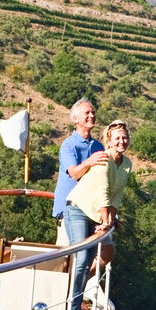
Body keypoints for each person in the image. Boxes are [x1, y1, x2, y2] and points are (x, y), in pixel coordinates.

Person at [63, 120, 132, 310]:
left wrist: (111, 220)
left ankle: (72, 307)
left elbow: (116, 195)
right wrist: (105, 219)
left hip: (96, 215)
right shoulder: (103, 160)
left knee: (87, 265)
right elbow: (103, 193)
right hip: (77, 209)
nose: (122, 141)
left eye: (125, 137)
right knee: (82, 258)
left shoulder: (127, 164)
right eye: (117, 138)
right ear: (108, 142)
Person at [53, 98, 104, 231]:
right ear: (75, 119)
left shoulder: (98, 146)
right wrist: (90, 161)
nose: (92, 116)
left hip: (91, 212)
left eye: (93, 112)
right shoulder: (68, 145)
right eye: (87, 113)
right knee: (67, 251)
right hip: (67, 211)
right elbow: (74, 174)